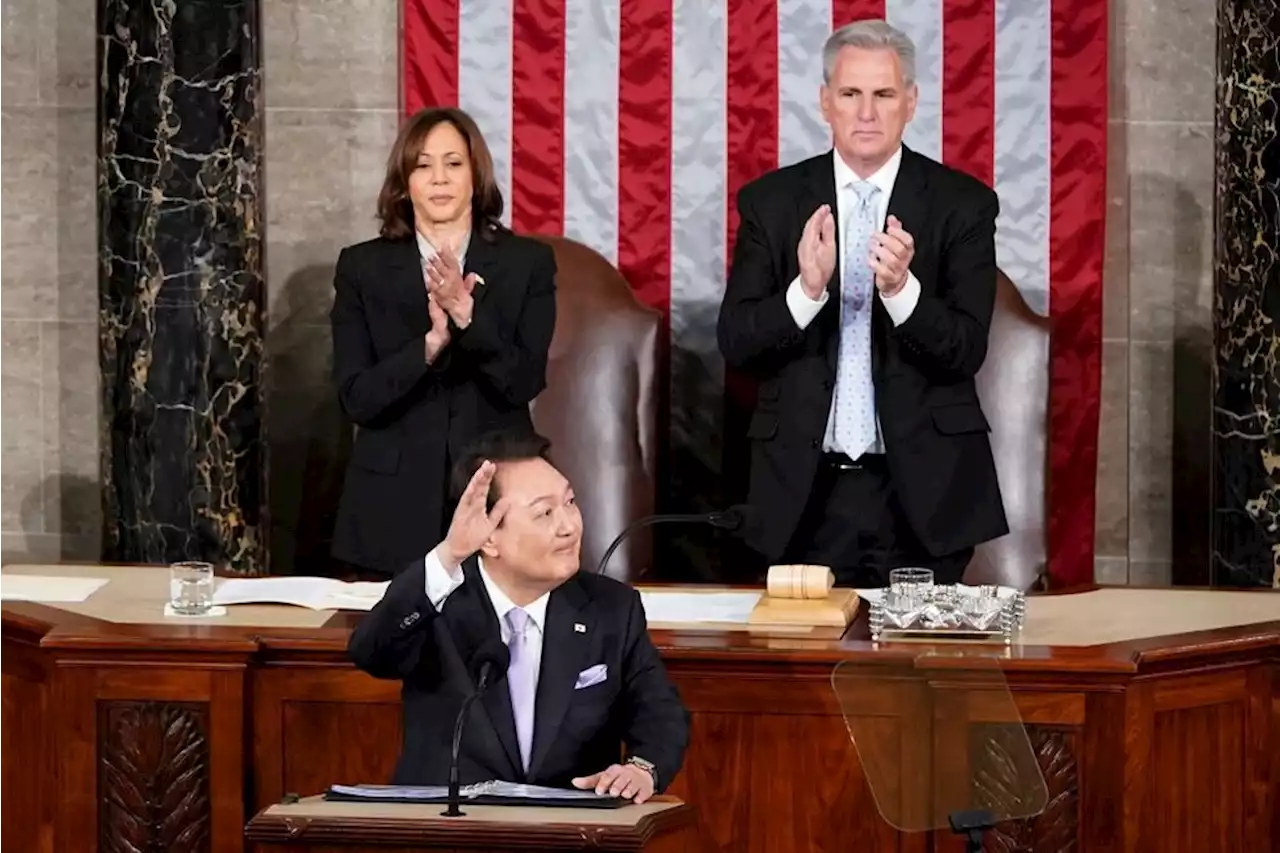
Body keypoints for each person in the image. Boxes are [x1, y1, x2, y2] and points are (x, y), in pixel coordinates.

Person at [717, 20, 1007, 587]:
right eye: (850, 94)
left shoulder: (963, 205)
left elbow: (966, 350)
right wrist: (805, 291)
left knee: (912, 673)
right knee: (802, 670)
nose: (866, 112)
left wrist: (902, 291)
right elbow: (737, 342)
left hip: (921, 495)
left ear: (911, 102)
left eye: (884, 94)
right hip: (803, 495)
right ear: (826, 103)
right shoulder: (771, 203)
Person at [348, 429, 689, 802]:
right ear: (488, 537)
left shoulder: (612, 608)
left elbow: (660, 713)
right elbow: (371, 651)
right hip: (448, 830)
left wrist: (643, 769)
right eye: (544, 513)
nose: (569, 526)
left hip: (567, 833)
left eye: (570, 502)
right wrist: (449, 554)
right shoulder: (439, 601)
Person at [329, 107, 557, 578]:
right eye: (423, 165)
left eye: (453, 164)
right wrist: (430, 345)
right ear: (404, 181)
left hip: (498, 506)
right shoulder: (361, 268)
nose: (439, 179)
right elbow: (357, 399)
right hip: (390, 513)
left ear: (475, 176)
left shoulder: (526, 263)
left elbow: (523, 382)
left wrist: (468, 316)